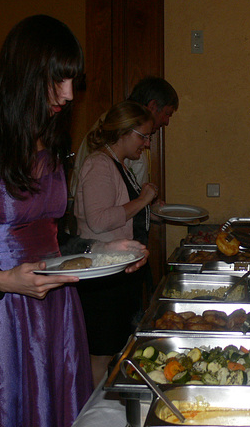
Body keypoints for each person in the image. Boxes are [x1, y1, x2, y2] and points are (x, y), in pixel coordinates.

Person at [0, 15, 147, 427]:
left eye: (72, 81)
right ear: (23, 74)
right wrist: (1, 281)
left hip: (56, 307)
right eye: (56, 81)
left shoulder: (53, 137)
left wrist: (100, 250)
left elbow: (51, 234)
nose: (68, 94)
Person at [74, 100, 158, 386]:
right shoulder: (99, 164)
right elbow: (98, 221)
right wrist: (144, 200)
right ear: (123, 131)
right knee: (100, 355)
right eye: (142, 136)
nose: (146, 144)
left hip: (120, 272)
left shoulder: (120, 164)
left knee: (115, 351)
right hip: (102, 277)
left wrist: (150, 208)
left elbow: (126, 212)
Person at [69, 76, 179, 198]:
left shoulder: (107, 121)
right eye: (167, 114)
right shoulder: (129, 143)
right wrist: (144, 202)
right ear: (152, 106)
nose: (167, 122)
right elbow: (109, 211)